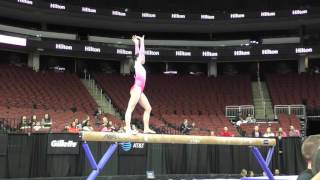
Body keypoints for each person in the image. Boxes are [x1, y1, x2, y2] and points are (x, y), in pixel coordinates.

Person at [124, 35, 155, 134]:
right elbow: (140, 53)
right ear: (138, 58)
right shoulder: (137, 64)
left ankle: (146, 128)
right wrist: (141, 42)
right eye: (141, 56)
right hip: (136, 88)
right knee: (130, 109)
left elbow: (140, 54)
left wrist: (138, 43)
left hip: (139, 90)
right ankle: (128, 129)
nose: (144, 57)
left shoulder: (139, 64)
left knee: (148, 108)